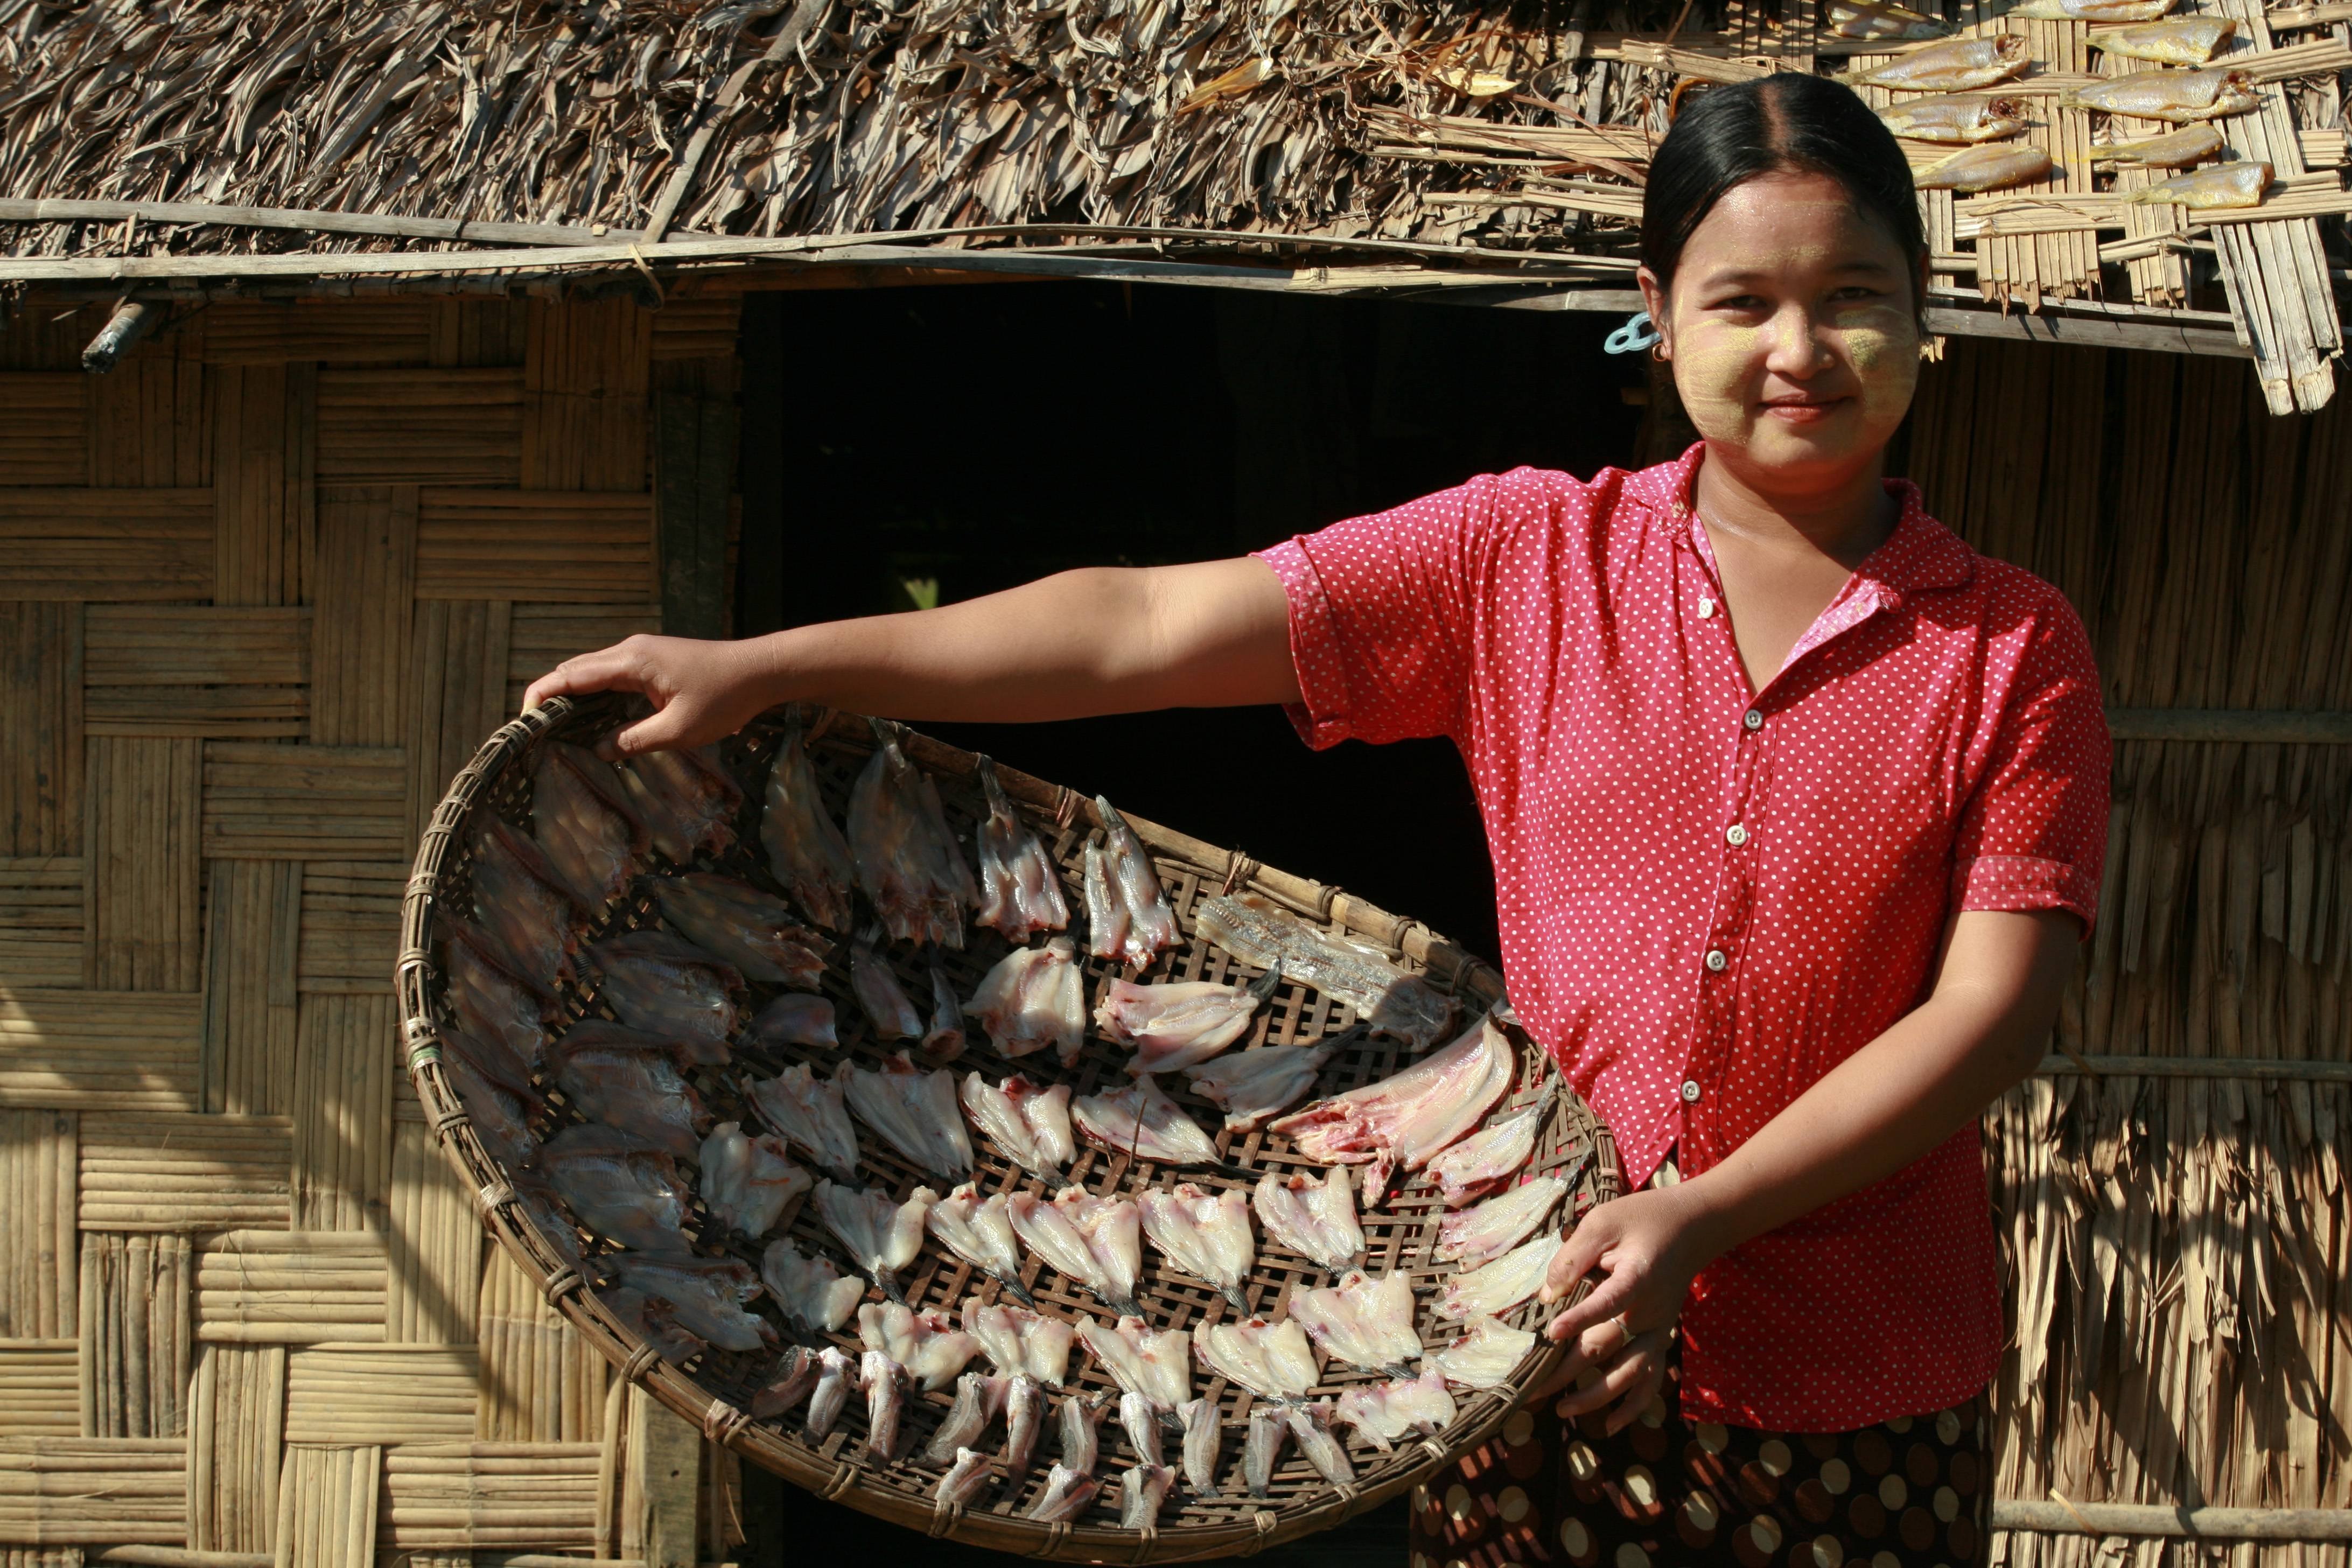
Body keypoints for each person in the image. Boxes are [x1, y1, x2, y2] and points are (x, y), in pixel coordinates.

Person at [526, 72, 2106, 1568]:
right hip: (1528, 1352)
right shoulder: (1524, 562)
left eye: (1853, 297)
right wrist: (766, 665)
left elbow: (1992, 1014)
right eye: (1743, 301)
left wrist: (1702, 1217)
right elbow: (1140, 627)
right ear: (1656, 310)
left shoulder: (2011, 645)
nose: (1801, 348)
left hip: (1861, 1375)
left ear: (1924, 307)